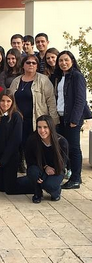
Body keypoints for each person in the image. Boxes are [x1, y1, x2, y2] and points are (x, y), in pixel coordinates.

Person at [54, 50, 91, 189]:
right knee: (65, 147)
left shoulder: (77, 76)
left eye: (66, 60)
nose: (63, 63)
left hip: (72, 118)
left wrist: (74, 120)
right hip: (62, 117)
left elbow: (80, 99)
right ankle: (68, 174)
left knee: (74, 148)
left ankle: (76, 178)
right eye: (60, 60)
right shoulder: (60, 77)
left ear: (72, 61)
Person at [16, 115, 68, 203]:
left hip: (56, 169)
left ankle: (56, 192)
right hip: (40, 167)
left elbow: (63, 163)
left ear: (51, 127)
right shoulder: (32, 140)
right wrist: (45, 167)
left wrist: (53, 170)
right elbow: (30, 161)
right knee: (33, 173)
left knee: (49, 185)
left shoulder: (61, 142)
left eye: (45, 127)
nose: (42, 130)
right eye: (39, 127)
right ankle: (37, 193)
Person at [8, 54, 59, 146]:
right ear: (23, 65)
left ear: (37, 66)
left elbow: (51, 102)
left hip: (36, 121)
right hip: (19, 122)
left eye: (34, 63)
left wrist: (53, 122)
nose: (31, 65)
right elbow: (9, 100)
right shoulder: (16, 81)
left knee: (36, 147)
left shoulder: (44, 80)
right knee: (20, 147)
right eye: (28, 62)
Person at [0, 92, 23, 194]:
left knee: (10, 189)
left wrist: (4, 160)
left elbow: (15, 140)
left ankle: (32, 184)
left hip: (10, 157)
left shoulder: (16, 116)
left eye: (8, 101)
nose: (5, 104)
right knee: (1, 188)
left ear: (12, 102)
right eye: (3, 101)